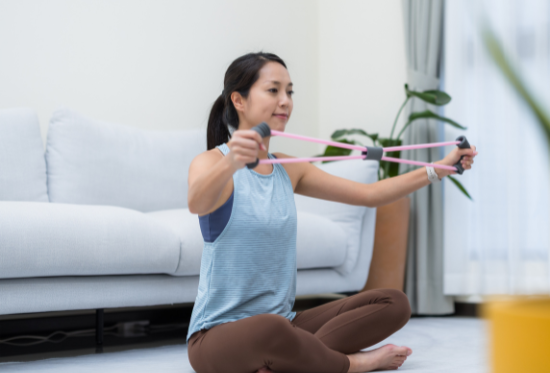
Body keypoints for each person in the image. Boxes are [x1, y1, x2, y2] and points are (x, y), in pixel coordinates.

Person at [185, 52, 478, 373]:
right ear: (238, 100)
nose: (285, 101)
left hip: (285, 324)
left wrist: (439, 169)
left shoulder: (287, 169)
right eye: (273, 90)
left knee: (394, 303)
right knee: (272, 330)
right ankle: (352, 364)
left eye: (290, 91)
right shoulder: (213, 162)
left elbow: (369, 195)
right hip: (215, 336)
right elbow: (197, 203)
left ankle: (291, 360)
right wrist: (232, 163)